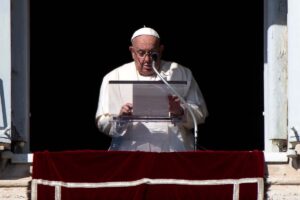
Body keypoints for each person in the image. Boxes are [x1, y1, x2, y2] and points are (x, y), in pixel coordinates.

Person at [95, 26, 208, 152]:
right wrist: (120, 118)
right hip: (130, 151)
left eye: (153, 53)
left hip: (173, 150)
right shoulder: (114, 77)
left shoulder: (182, 73)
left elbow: (200, 115)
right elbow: (102, 122)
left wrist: (181, 111)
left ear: (161, 50)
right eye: (141, 53)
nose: (147, 59)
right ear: (132, 52)